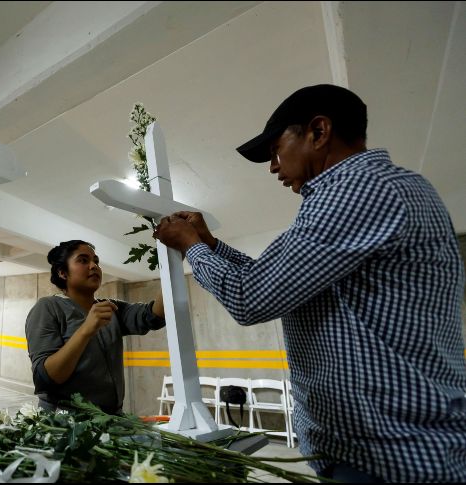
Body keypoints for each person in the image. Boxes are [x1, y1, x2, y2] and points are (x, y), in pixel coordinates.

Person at [153, 84, 466, 482]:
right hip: (380, 452)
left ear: (318, 132)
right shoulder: (371, 189)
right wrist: (211, 245)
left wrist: (192, 247)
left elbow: (251, 298)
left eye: (275, 151)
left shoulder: (359, 189)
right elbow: (275, 281)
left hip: (391, 457)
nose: (272, 167)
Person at [25, 240, 166, 415]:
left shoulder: (111, 308)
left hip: (112, 420)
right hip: (64, 425)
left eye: (96, 261)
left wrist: (171, 261)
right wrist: (86, 329)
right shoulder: (48, 307)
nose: (94, 266)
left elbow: (154, 316)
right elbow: (46, 378)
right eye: (83, 260)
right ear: (62, 273)